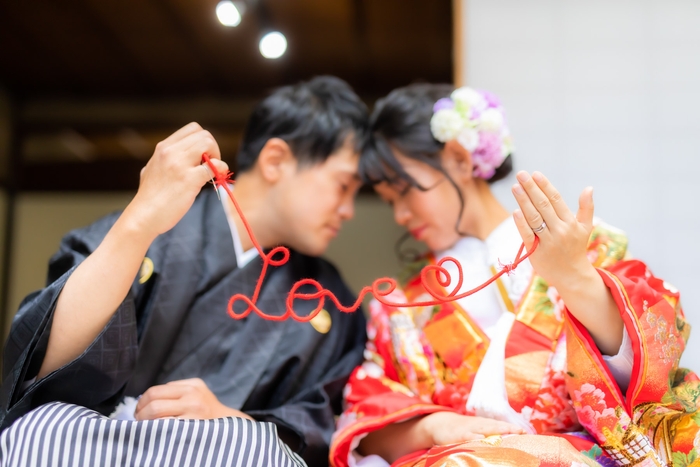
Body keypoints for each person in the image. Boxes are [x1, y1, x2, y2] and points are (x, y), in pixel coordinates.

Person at [0, 76, 368, 467]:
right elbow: (44, 367)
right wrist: (138, 222)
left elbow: (324, 427)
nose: (349, 210)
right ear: (275, 160)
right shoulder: (151, 234)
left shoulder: (328, 300)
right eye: (343, 185)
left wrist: (233, 424)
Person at [330, 84, 700, 467]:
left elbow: (650, 366)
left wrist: (576, 279)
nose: (400, 215)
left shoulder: (581, 247)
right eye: (390, 201)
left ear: (458, 158)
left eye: (405, 191)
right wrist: (432, 427)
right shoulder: (405, 305)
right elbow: (368, 412)